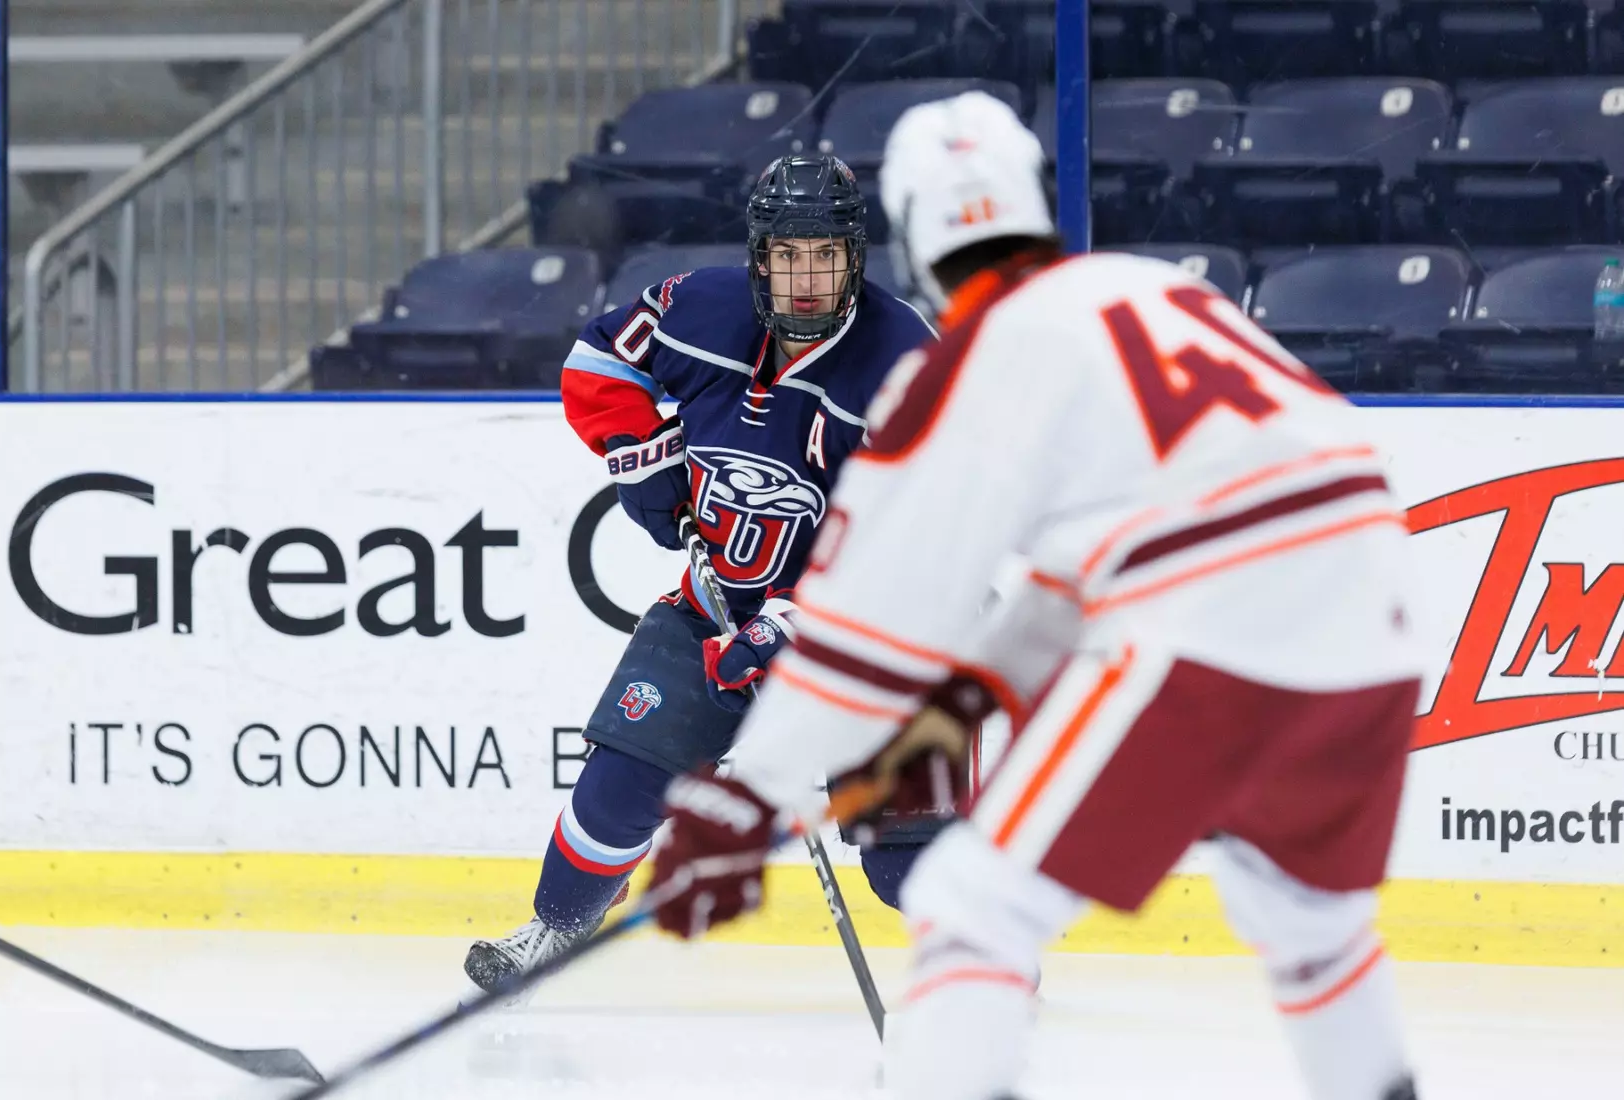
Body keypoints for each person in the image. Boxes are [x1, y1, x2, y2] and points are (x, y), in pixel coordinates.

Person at [642, 92, 1425, 1100]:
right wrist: (954, 712)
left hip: (1209, 612)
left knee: (975, 908)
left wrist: (748, 792)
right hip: (1377, 601)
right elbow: (1054, 600)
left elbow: (864, 626)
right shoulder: (1151, 291)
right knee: (1311, 923)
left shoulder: (959, 364)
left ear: (915, 232)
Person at [463, 153, 938, 993]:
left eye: (824, 255)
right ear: (759, 257)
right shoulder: (702, 308)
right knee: (621, 783)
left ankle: (981, 962)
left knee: (906, 863)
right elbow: (600, 358)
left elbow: (914, 542)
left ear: (855, 257)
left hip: (883, 639)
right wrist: (644, 458)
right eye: (788, 255)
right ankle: (554, 930)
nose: (805, 278)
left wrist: (787, 627)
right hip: (718, 601)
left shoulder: (905, 362)